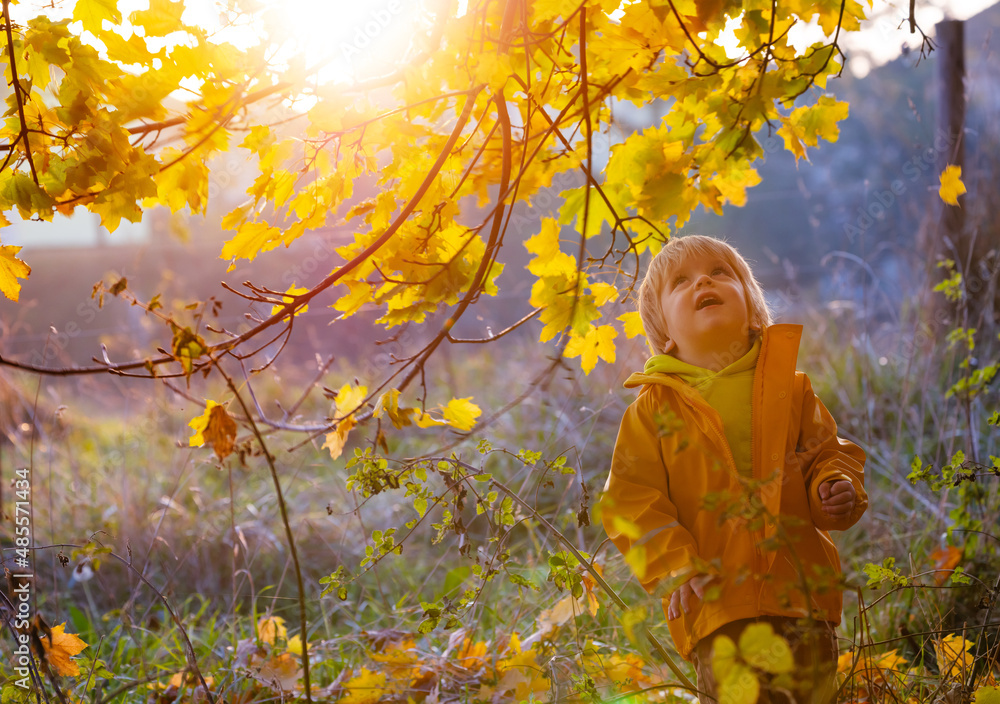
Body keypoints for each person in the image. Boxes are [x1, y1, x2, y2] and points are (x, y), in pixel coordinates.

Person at [600, 235, 867, 704]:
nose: (703, 279)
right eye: (681, 281)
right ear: (665, 331)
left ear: (753, 308)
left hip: (802, 596)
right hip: (719, 605)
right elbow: (630, 499)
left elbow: (828, 452)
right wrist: (675, 564)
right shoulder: (653, 411)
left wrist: (834, 484)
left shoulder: (792, 389)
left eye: (720, 272)